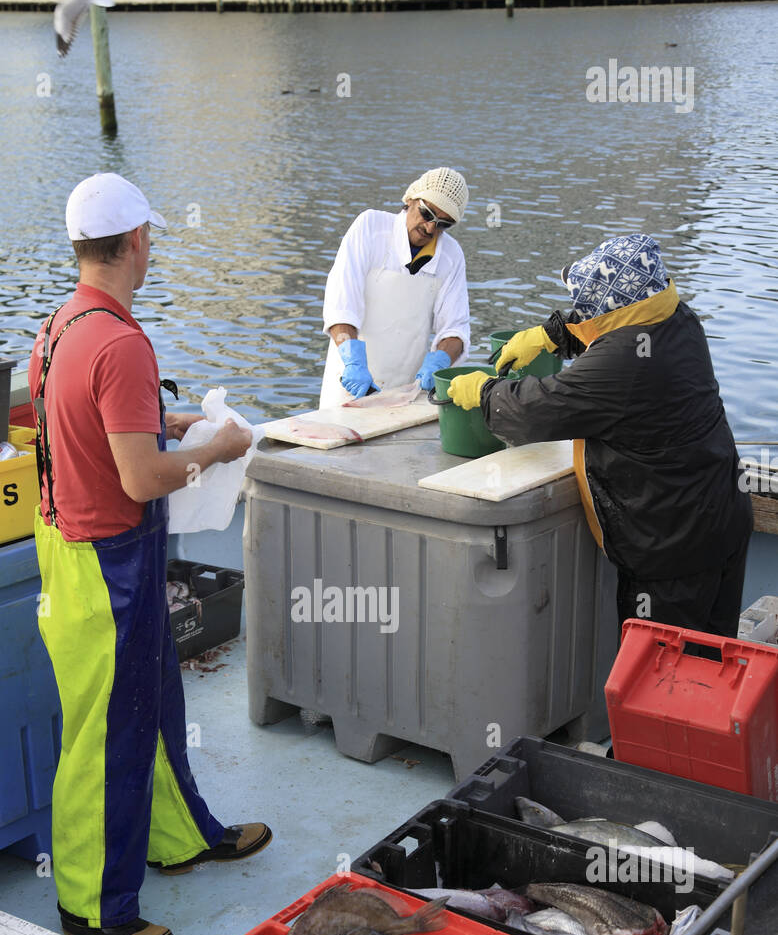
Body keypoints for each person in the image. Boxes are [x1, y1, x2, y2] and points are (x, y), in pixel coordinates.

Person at [28, 173, 271, 935]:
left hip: (70, 548)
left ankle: (180, 834)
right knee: (106, 738)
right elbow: (140, 479)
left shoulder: (62, 324)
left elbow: (74, 422)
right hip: (111, 565)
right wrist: (215, 450)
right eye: (150, 237)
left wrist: (162, 418)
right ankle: (94, 908)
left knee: (154, 707)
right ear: (136, 242)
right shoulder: (124, 342)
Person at [449, 233, 752, 640]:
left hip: (673, 550)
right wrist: (554, 333)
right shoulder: (677, 317)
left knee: (661, 679)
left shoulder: (622, 365)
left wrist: (483, 392)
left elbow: (533, 411)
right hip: (722, 518)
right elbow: (611, 323)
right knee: (711, 664)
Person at [320, 167, 471, 409]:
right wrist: (353, 363)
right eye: (427, 213)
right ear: (411, 199)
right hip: (349, 385)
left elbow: (456, 329)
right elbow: (341, 303)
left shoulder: (451, 255)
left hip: (407, 392)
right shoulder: (370, 227)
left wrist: (440, 361)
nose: (430, 228)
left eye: (443, 224)